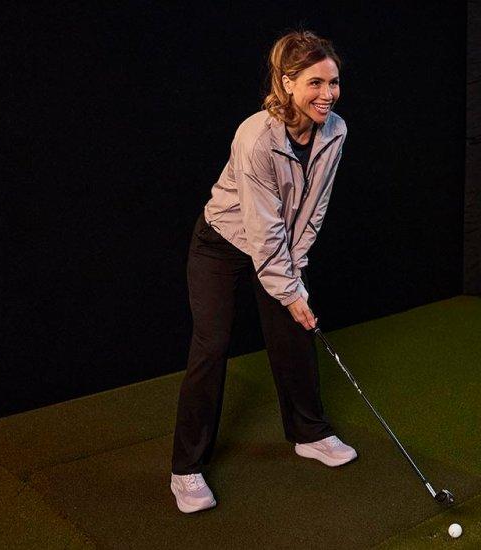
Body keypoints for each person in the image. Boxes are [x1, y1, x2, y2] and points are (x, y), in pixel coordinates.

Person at [169, 30, 355, 514]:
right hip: (222, 244)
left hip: (278, 246)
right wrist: (291, 292)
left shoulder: (335, 131)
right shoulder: (255, 137)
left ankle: (309, 434)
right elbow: (263, 229)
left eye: (333, 82)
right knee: (212, 345)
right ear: (288, 83)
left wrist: (297, 277)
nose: (328, 94)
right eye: (316, 83)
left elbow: (313, 211)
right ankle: (186, 469)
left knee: (294, 334)